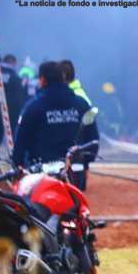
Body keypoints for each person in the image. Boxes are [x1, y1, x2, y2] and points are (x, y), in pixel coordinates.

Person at [12, 61, 99, 190]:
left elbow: (21, 139)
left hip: (42, 172)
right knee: (73, 201)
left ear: (42, 80)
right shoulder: (82, 104)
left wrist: (18, 163)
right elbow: (93, 137)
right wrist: (86, 162)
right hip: (74, 170)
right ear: (63, 78)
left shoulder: (33, 107)